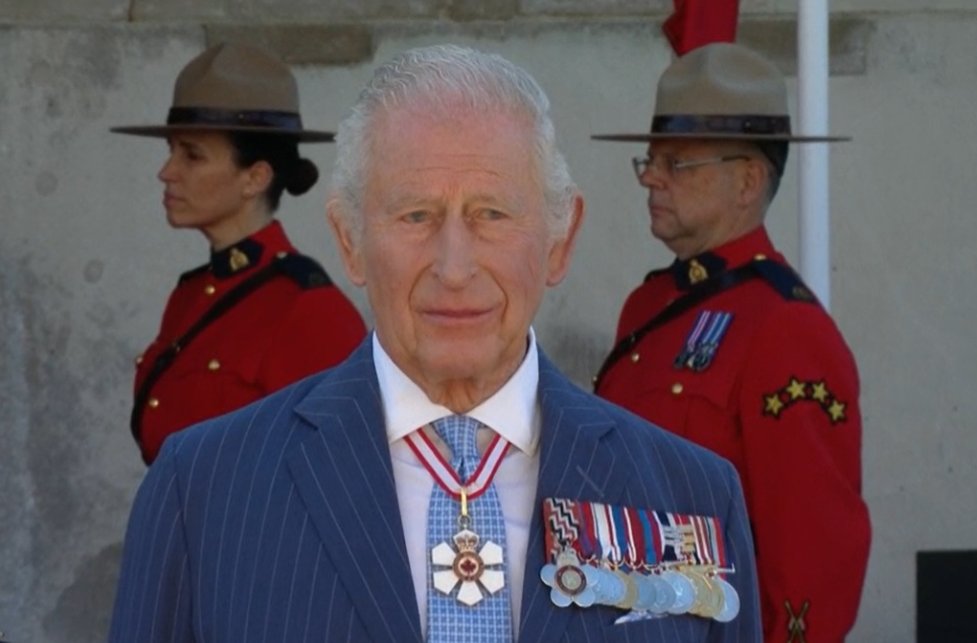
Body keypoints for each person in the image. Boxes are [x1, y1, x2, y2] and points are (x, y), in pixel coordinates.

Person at [108, 44, 764, 642]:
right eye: (415, 215)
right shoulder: (201, 491)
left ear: (559, 240)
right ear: (350, 241)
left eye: (492, 214)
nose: (454, 266)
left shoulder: (693, 497)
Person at [592, 43, 871, 642]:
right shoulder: (650, 306)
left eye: (676, 163)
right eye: (650, 159)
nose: (650, 177)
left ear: (747, 180)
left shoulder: (785, 328)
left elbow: (811, 554)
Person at [111, 42, 367, 464]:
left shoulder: (308, 309)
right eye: (171, 151)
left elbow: (340, 471)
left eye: (192, 155)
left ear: (255, 178)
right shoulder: (190, 295)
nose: (166, 172)